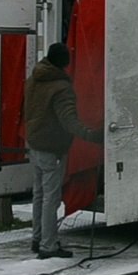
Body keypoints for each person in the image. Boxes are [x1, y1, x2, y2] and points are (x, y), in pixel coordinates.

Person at [23, 43, 103, 259]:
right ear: (65, 63)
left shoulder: (34, 79)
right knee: (51, 198)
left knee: (39, 195)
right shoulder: (60, 88)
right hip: (52, 147)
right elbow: (69, 121)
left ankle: (37, 238)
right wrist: (92, 135)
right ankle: (48, 247)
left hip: (35, 143)